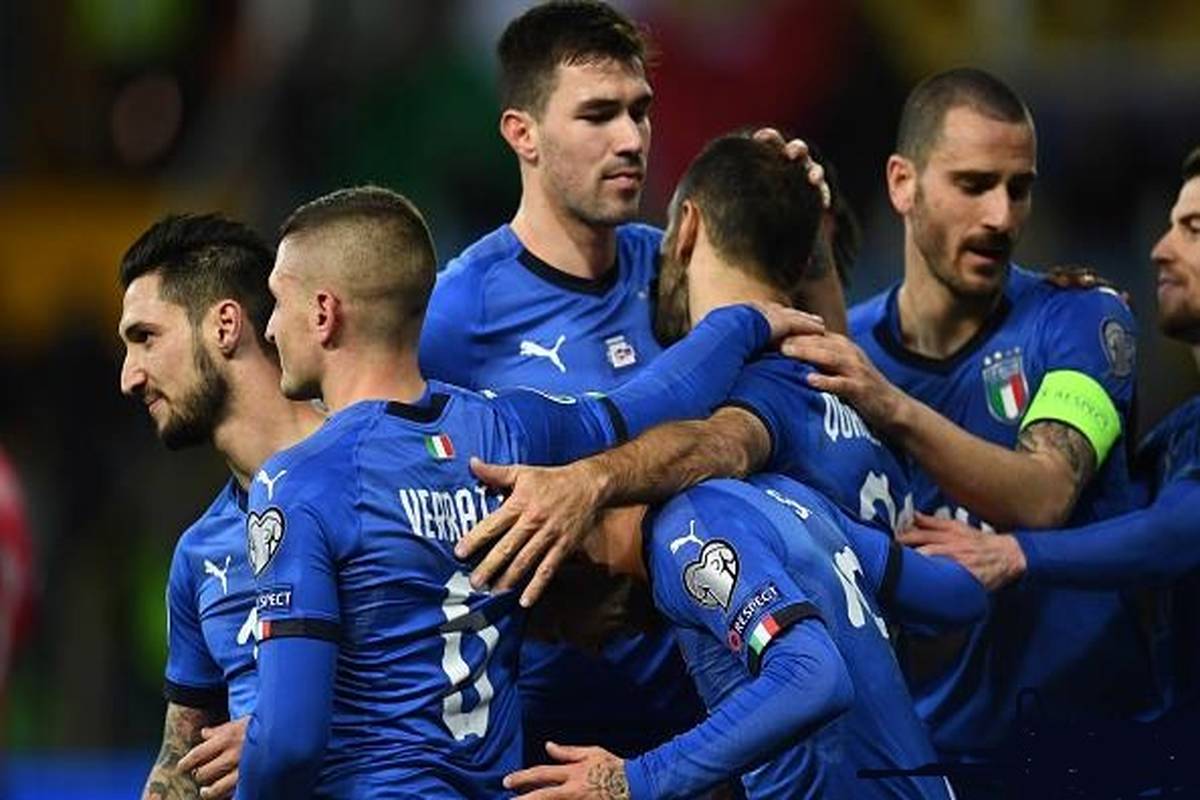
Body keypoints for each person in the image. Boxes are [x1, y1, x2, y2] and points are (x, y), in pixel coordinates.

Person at [235, 185, 822, 798]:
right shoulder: (507, 431)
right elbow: (657, 398)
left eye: (278, 301)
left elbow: (288, 742)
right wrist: (749, 320)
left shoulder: (300, 481)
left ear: (324, 313)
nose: (270, 328)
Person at [419, 0, 835, 763]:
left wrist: (807, 241)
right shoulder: (457, 311)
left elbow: (816, 394)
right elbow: (383, 494)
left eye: (639, 111)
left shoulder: (680, 268)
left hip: (711, 729)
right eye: (598, 114)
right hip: (547, 736)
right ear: (522, 134)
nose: (631, 139)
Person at [776, 67, 1158, 761]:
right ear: (903, 184)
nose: (1002, 217)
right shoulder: (854, 358)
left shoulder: (1083, 321)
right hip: (936, 761)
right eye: (974, 185)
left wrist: (892, 407)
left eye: (1019, 187)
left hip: (1098, 756)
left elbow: (1044, 494)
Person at [901, 145, 1200, 707]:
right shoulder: (1183, 429)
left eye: (1194, 230)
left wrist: (1016, 554)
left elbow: (1175, 534)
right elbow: (1125, 524)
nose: (1161, 249)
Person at [505, 474, 983, 800]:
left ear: (570, 568)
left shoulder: (686, 541)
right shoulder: (782, 496)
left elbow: (813, 678)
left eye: (564, 631)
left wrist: (634, 780)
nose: (591, 648)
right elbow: (959, 597)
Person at [118, 214, 324, 800]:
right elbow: (181, 762)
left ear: (225, 325)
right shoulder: (198, 554)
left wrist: (276, 738)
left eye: (145, 338)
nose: (129, 377)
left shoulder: (375, 474)